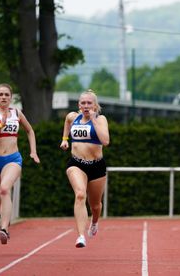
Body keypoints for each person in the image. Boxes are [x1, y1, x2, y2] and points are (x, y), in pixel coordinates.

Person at [0, 83, 40, 245]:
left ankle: (4, 229)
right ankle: (4, 217)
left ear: (11, 97)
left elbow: (30, 131)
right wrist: (0, 126)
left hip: (12, 159)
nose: (4, 97)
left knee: (5, 189)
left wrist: (33, 151)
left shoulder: (17, 113)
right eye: (1, 95)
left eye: (7, 95)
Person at [59, 90, 109, 248]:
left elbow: (106, 141)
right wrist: (65, 139)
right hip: (76, 163)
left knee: (95, 205)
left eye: (89, 103)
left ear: (95, 105)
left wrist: (93, 121)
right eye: (83, 103)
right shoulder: (72, 117)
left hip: (96, 165)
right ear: (79, 105)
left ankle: (94, 222)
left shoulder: (101, 119)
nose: (86, 106)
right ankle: (81, 236)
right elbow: (67, 123)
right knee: (80, 194)